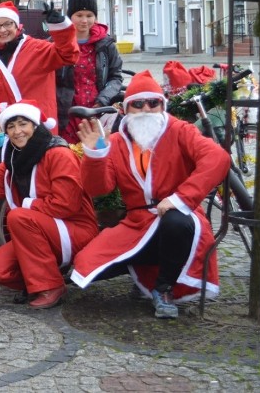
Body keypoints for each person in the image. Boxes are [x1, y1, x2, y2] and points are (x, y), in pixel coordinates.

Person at [72, 70, 231, 319]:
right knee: (85, 266)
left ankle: (163, 288)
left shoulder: (181, 131)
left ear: (162, 105)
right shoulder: (115, 142)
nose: (146, 108)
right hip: (137, 223)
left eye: (153, 102)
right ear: (125, 109)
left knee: (175, 223)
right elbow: (99, 189)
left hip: (180, 216)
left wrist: (181, 198)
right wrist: (95, 155)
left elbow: (218, 158)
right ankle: (143, 271)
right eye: (137, 103)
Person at [0, 100, 98, 309]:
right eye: (11, 127)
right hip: (36, 229)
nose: (17, 131)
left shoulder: (58, 153)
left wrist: (25, 205)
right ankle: (38, 283)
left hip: (74, 228)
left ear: (35, 126)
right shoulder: (13, 158)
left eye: (23, 124)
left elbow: (66, 204)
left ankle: (51, 286)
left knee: (17, 216)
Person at [0, 1, 79, 134]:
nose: (2, 30)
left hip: (39, 126)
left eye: (7, 24)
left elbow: (68, 55)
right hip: (5, 128)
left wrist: (61, 30)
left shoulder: (38, 49)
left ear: (17, 25)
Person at [55, 0, 123, 143]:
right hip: (66, 114)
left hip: (97, 111)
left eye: (89, 15)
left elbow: (116, 77)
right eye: (79, 15)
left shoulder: (106, 45)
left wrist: (103, 99)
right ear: (70, 16)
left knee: (96, 153)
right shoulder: (58, 44)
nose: (84, 20)